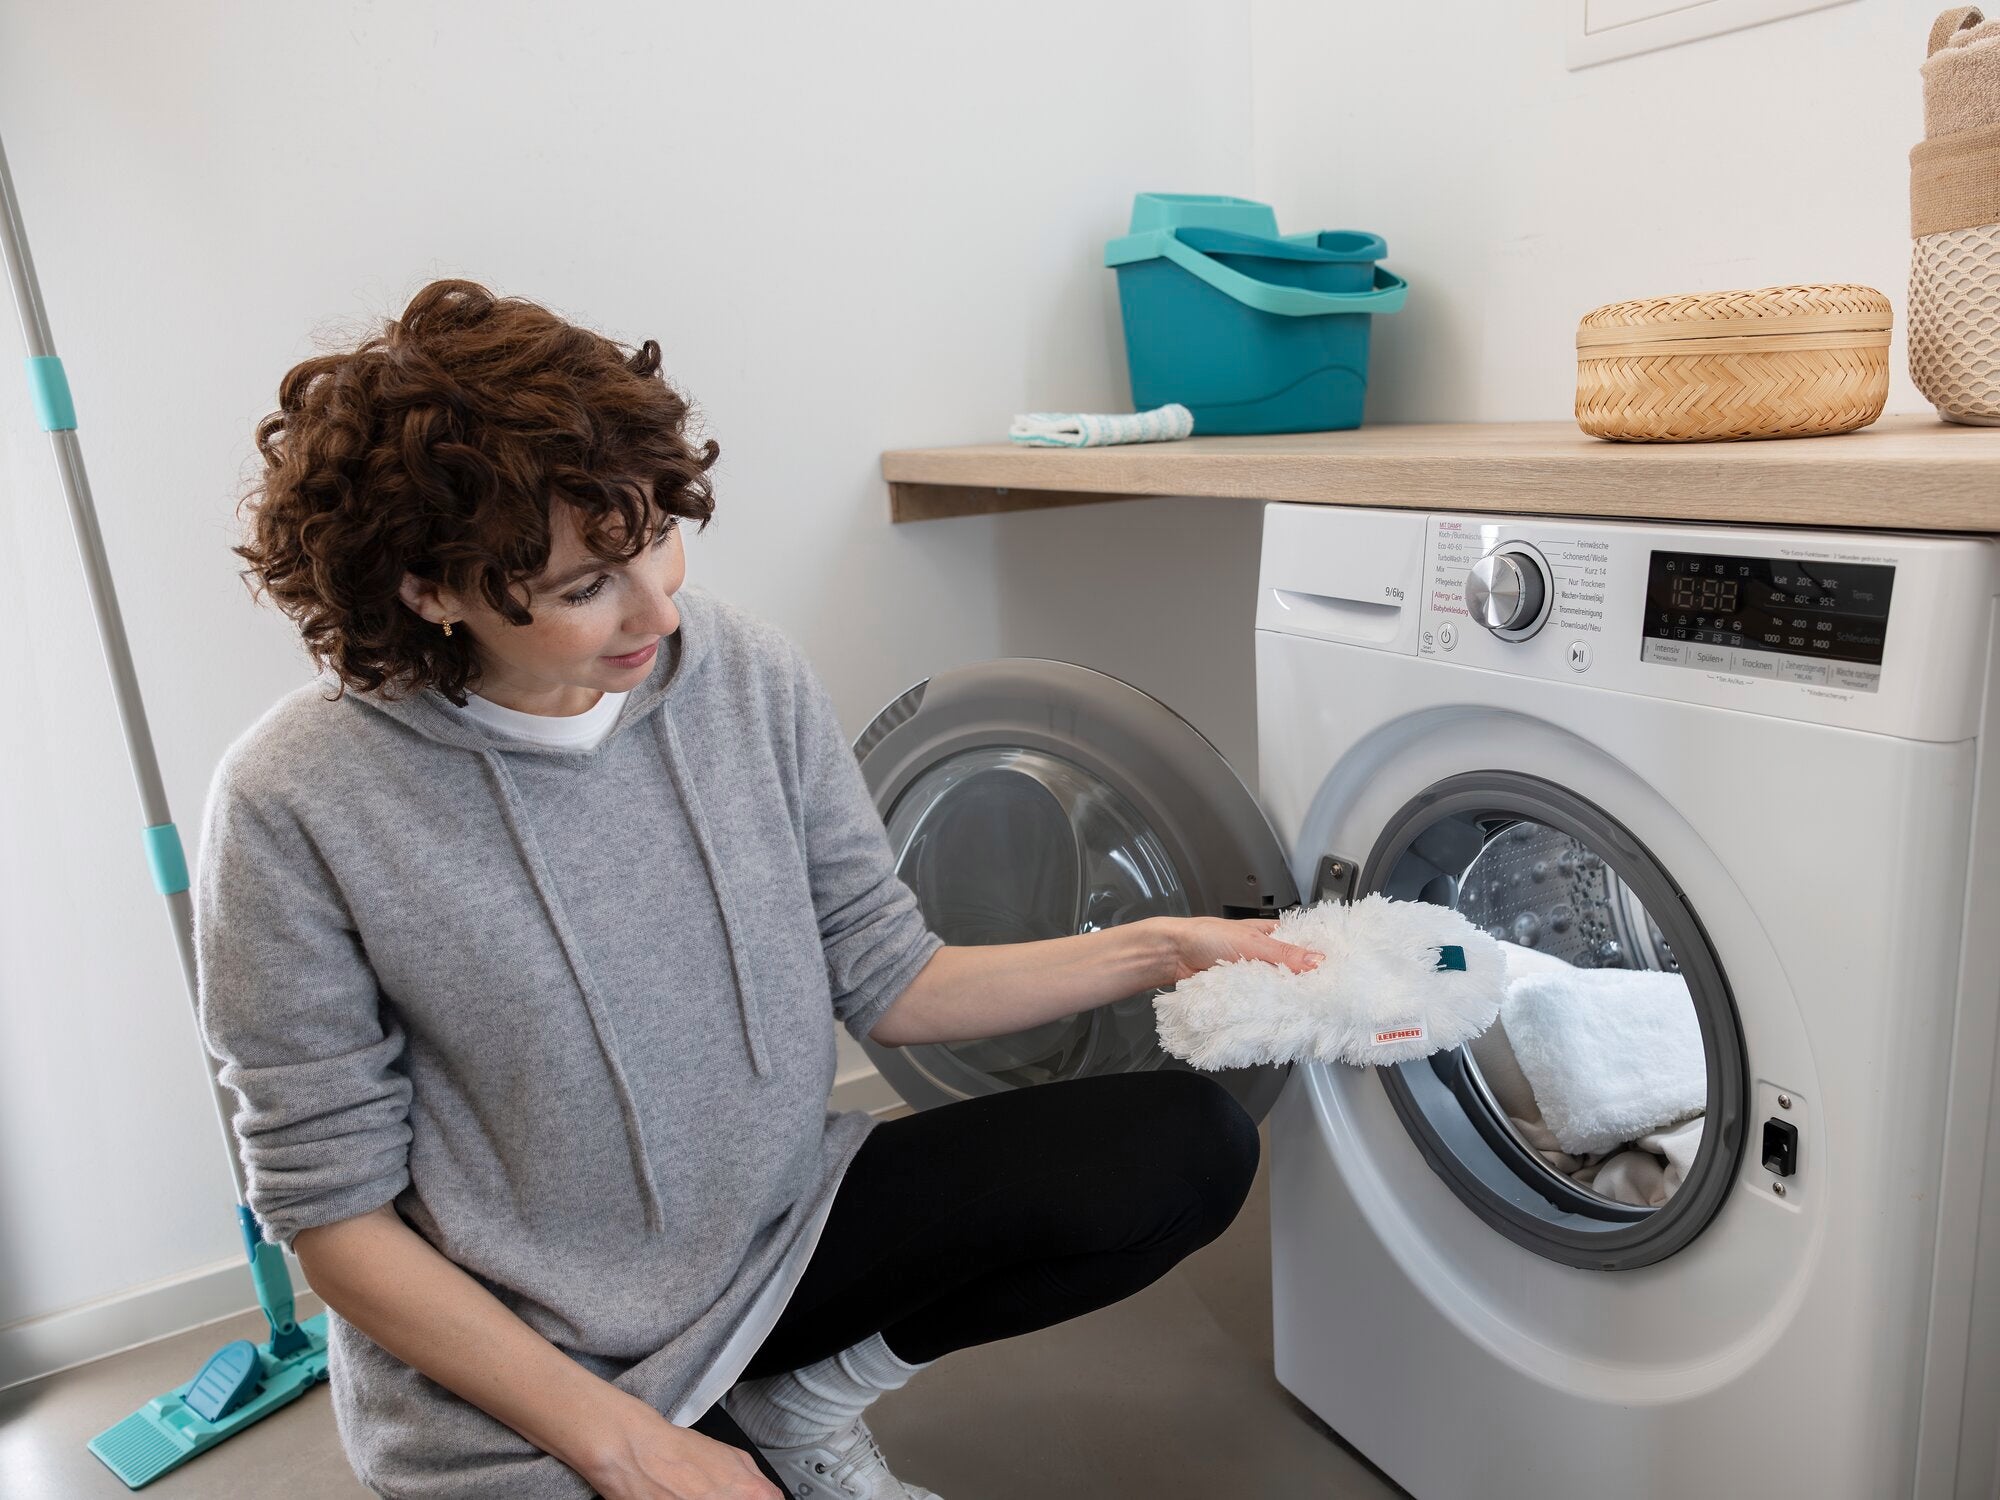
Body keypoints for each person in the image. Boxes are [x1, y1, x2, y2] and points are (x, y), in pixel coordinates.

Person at [195, 279, 1322, 1500]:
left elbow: (894, 981)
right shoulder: (294, 801)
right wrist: (622, 1443)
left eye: (654, 539)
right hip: (530, 1340)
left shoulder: (739, 676)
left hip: (781, 1238)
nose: (659, 608)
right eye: (584, 588)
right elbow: (336, 1220)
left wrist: (1160, 949)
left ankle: (798, 1400)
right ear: (430, 590)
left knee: (1182, 1148)